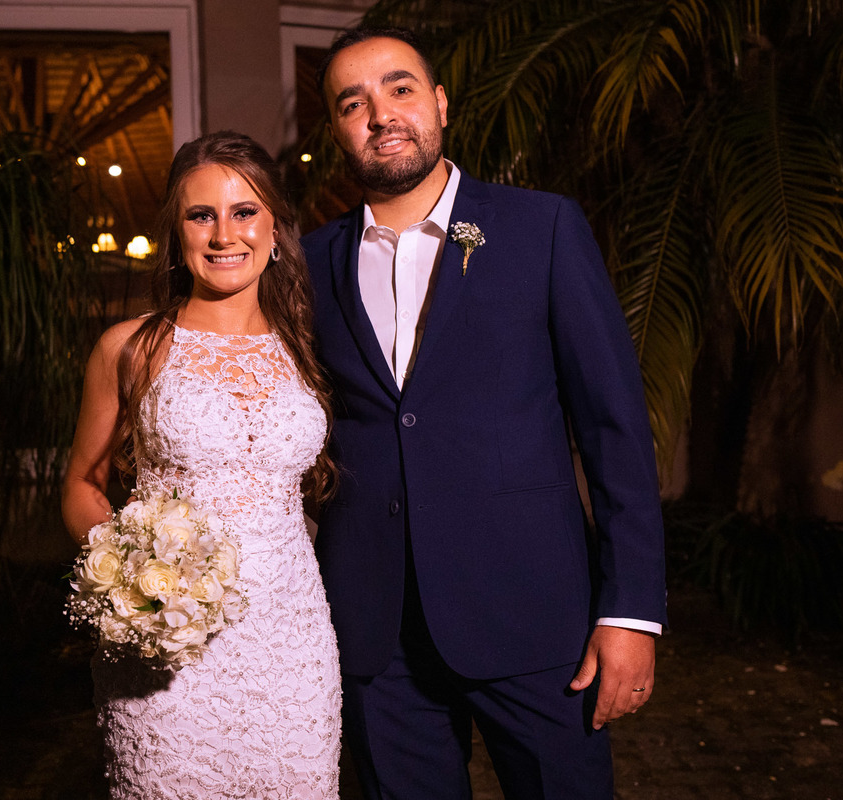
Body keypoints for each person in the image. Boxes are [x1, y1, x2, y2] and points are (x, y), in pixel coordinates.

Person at [301, 26, 668, 799]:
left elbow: (615, 429)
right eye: (353, 103)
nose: (381, 114)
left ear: (439, 103)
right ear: (335, 129)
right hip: (376, 635)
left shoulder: (543, 228)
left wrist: (631, 611)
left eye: (400, 89)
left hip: (534, 619)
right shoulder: (308, 264)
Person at [61, 131, 341, 799]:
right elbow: (81, 484)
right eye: (200, 215)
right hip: (170, 652)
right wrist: (134, 582)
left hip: (292, 640)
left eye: (244, 212)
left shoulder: (310, 347)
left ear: (275, 229)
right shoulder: (131, 348)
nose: (224, 235)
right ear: (177, 232)